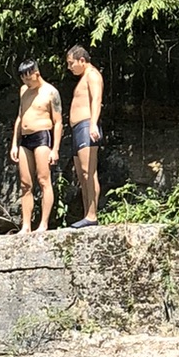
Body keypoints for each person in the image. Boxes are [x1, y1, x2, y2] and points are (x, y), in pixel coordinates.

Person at [10, 57, 64, 236]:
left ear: (36, 74)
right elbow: (20, 117)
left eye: (28, 78)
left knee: (43, 180)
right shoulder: (24, 90)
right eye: (23, 79)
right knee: (25, 184)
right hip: (25, 139)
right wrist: (14, 144)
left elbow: (58, 122)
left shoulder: (50, 92)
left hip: (42, 136)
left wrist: (55, 149)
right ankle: (26, 225)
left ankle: (43, 224)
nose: (26, 82)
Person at [66, 45, 104, 227]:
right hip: (77, 129)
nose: (69, 67)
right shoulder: (83, 78)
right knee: (82, 174)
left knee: (89, 172)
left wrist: (93, 123)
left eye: (71, 63)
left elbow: (97, 100)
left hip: (87, 125)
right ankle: (86, 214)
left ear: (82, 60)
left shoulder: (93, 75)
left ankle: (92, 215)